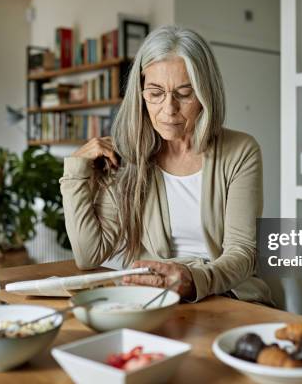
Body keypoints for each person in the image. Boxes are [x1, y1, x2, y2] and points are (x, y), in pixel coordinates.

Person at [60, 25, 273, 305]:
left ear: (206, 94)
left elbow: (242, 253)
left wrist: (192, 280)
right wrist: (76, 172)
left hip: (227, 295)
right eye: (155, 93)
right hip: (153, 300)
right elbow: (89, 256)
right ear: (140, 94)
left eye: (184, 94)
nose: (168, 110)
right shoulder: (125, 156)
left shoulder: (240, 151)